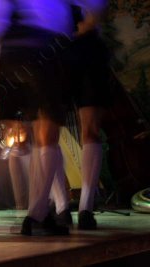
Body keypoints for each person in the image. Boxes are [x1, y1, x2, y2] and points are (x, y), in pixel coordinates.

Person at [0, 0, 108, 235]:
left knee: (46, 134)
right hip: (47, 49)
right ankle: (50, 209)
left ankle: (66, 208)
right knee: (44, 135)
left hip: (38, 50)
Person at [61, 3, 111, 230]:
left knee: (90, 130)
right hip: (51, 51)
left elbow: (98, 13)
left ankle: (86, 208)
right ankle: (61, 207)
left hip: (87, 49)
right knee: (44, 133)